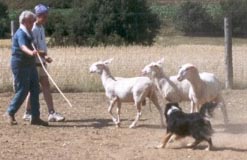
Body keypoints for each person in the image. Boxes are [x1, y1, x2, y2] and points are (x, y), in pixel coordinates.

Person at [22, 4, 65, 122]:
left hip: (42, 63)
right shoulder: (33, 28)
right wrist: (45, 56)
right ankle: (28, 112)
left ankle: (51, 112)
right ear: (39, 15)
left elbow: (41, 46)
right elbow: (34, 47)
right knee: (34, 88)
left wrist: (45, 58)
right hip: (35, 64)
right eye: (45, 15)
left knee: (45, 85)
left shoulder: (41, 28)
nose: (47, 17)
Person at [6, 10, 48, 126]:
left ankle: (35, 117)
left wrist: (44, 56)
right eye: (31, 21)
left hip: (30, 65)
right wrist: (31, 53)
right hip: (20, 65)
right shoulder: (21, 33)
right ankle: (11, 112)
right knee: (23, 90)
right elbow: (23, 47)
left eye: (33, 21)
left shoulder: (29, 33)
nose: (33, 23)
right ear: (24, 21)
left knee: (35, 88)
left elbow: (33, 48)